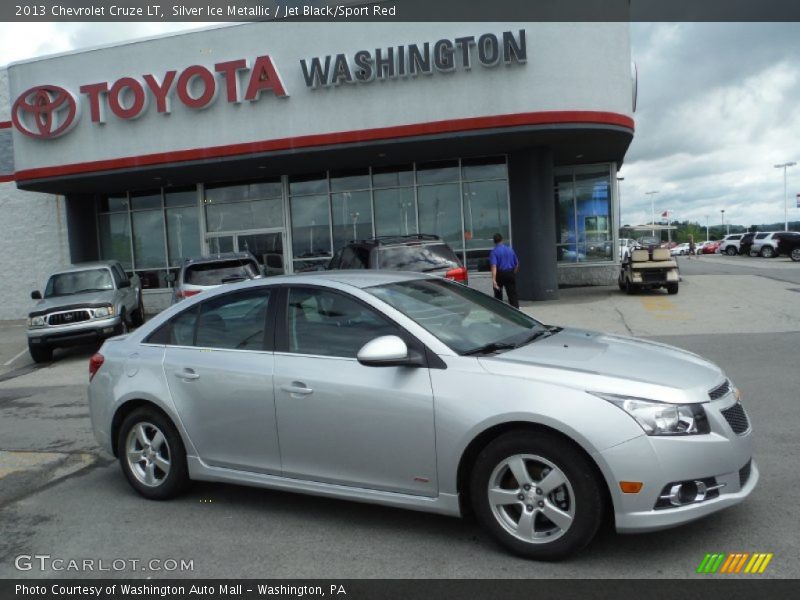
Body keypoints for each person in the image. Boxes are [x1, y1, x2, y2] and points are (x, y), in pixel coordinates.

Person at [489, 233, 519, 308]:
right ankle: (516, 312)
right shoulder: (510, 249)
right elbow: (517, 264)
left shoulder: (494, 252)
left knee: (498, 295)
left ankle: (499, 312)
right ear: (502, 240)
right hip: (510, 273)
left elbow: (494, 266)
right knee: (512, 295)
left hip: (500, 274)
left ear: (494, 242)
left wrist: (493, 280)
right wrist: (513, 273)